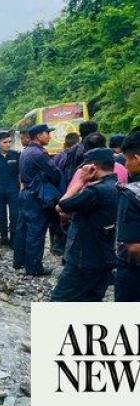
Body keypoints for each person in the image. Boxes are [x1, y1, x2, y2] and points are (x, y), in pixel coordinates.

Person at [50, 149, 119, 301]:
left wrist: (80, 182)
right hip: (105, 257)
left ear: (92, 167)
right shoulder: (117, 187)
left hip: (84, 259)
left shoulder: (95, 191)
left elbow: (61, 206)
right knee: (91, 301)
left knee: (58, 301)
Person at [13, 124, 62, 276]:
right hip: (36, 196)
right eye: (47, 133)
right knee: (36, 231)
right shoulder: (40, 154)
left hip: (25, 193)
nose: (49, 136)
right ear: (39, 135)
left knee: (23, 229)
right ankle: (34, 268)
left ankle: (19, 261)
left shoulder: (26, 151)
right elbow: (55, 174)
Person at [115, 131, 140, 302]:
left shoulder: (131, 194)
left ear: (137, 159)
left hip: (133, 275)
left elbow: (134, 248)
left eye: (127, 159)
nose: (125, 163)